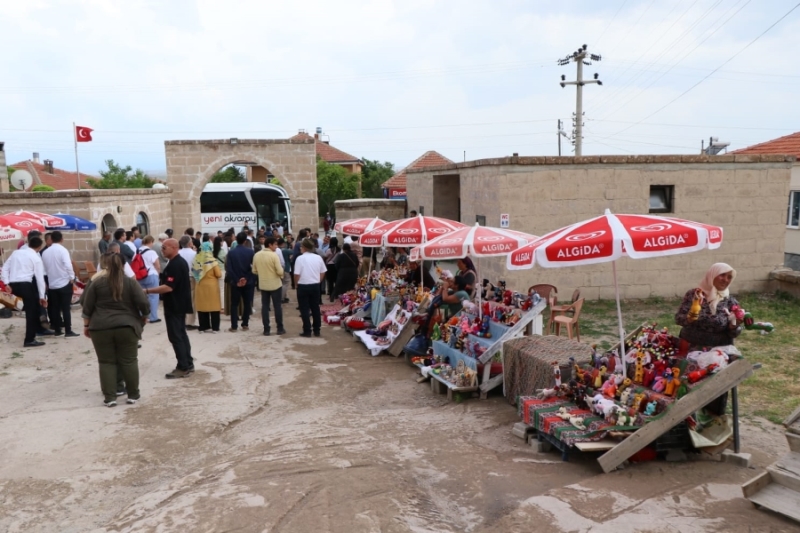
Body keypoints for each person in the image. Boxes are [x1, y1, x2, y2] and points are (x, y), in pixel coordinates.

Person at [81, 252, 150, 407]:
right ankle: (133, 394)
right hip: (127, 326)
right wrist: (144, 316)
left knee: (106, 362)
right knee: (129, 361)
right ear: (124, 265)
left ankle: (110, 397)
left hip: (100, 327)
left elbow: (87, 306)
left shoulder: (97, 283)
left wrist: (86, 325)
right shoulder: (130, 283)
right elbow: (143, 303)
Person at [675, 263, 742, 415]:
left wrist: (734, 327)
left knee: (714, 390)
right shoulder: (694, 295)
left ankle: (711, 422)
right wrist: (691, 317)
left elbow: (736, 332)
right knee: (688, 387)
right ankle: (684, 421)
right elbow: (679, 319)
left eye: (729, 277)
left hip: (717, 354)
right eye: (722, 275)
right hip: (691, 350)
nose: (725, 279)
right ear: (712, 275)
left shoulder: (731, 302)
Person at [145, 239, 194, 379]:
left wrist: (147, 291)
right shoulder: (174, 263)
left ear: (174, 247)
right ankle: (188, 363)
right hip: (178, 304)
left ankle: (183, 366)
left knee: (176, 336)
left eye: (165, 248)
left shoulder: (176, 265)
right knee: (181, 334)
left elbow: (168, 287)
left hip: (175, 305)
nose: (162, 250)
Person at [2, 235, 49, 347]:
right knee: (31, 313)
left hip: (14, 285)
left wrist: (7, 283)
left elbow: (5, 268)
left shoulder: (16, 253)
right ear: (39, 247)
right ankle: (29, 339)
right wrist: (42, 296)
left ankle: (33, 335)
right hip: (25, 285)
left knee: (31, 309)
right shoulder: (36, 257)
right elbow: (39, 278)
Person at [40, 231, 78, 337]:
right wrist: (72, 277)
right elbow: (68, 265)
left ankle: (57, 329)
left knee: (55, 307)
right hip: (64, 282)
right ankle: (68, 330)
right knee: (66, 308)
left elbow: (43, 269)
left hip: (52, 283)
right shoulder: (63, 250)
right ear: (61, 239)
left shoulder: (46, 252)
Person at [253, 236, 285, 336]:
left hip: (263, 284)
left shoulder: (257, 255)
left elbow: (254, 270)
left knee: (265, 307)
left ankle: (266, 329)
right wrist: (281, 275)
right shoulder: (274, 255)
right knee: (277, 306)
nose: (276, 246)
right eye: (275, 244)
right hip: (275, 284)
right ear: (270, 245)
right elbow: (279, 270)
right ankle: (280, 328)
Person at [294, 238, 327, 337]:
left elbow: (296, 274)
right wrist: (318, 281)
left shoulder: (300, 259)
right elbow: (323, 271)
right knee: (315, 307)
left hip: (303, 285)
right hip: (315, 285)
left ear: (304, 247)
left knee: (304, 308)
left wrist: (296, 284)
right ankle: (317, 329)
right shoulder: (318, 258)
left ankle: (307, 330)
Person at [226, 232, 255, 332]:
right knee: (247, 303)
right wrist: (245, 278)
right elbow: (253, 268)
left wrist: (237, 279)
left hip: (236, 282)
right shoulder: (250, 252)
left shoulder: (231, 252)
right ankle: (245, 323)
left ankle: (234, 326)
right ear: (245, 241)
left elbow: (229, 269)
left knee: (234, 304)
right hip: (248, 281)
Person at [193, 241, 223, 333]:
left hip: (200, 286)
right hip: (211, 287)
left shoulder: (196, 260)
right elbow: (219, 274)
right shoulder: (212, 261)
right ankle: (215, 327)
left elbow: (194, 273)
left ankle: (203, 326)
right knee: (214, 307)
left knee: (202, 307)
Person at [137, 235, 162, 323]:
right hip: (151, 274)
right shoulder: (152, 252)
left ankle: (142, 315)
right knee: (153, 296)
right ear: (150, 242)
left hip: (139, 276)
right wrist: (158, 275)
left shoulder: (137, 251)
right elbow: (157, 265)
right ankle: (153, 317)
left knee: (142, 296)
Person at [178, 235, 198, 329]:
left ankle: (181, 320)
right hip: (191, 277)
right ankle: (189, 322)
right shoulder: (194, 254)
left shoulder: (177, 253)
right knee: (191, 299)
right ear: (190, 243)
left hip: (179, 278)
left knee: (180, 298)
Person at [324, 237, 340, 301]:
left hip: (329, 266)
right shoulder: (339, 250)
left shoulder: (329, 250)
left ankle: (331, 296)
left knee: (330, 282)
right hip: (336, 266)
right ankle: (336, 295)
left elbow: (325, 257)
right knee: (336, 281)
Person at [278, 237, 292, 303]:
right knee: (285, 283)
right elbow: (293, 253)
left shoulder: (276, 250)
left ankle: (284, 296)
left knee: (281, 283)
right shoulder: (286, 250)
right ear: (283, 243)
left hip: (278, 268)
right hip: (285, 268)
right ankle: (282, 298)